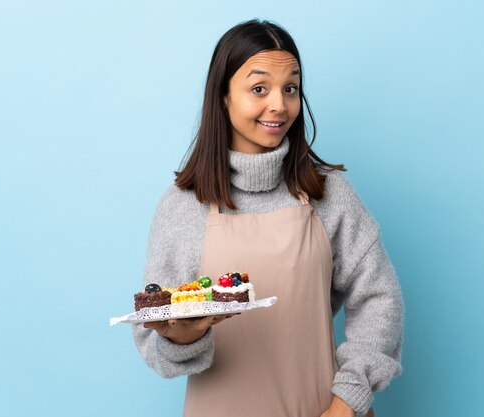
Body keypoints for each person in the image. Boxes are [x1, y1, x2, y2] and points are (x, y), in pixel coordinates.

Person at [132, 18, 404, 417]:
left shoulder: (328, 194)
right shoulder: (182, 206)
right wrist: (185, 339)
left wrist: (347, 401)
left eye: (290, 88)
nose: (279, 104)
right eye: (259, 88)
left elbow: (381, 297)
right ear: (223, 95)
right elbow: (155, 339)